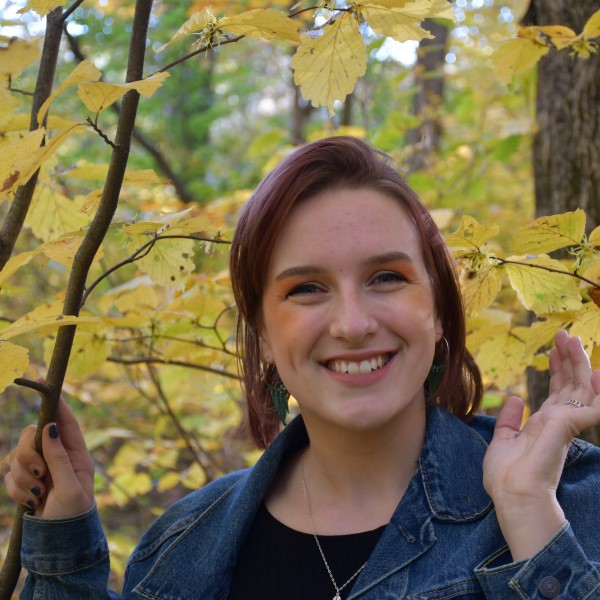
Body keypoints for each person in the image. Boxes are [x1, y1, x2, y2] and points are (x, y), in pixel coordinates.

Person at [4, 136, 600, 600]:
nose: (352, 322)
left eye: (386, 277)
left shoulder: (568, 500)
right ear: (262, 334)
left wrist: (528, 517)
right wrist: (65, 541)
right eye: (307, 288)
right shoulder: (182, 545)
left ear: (439, 310)